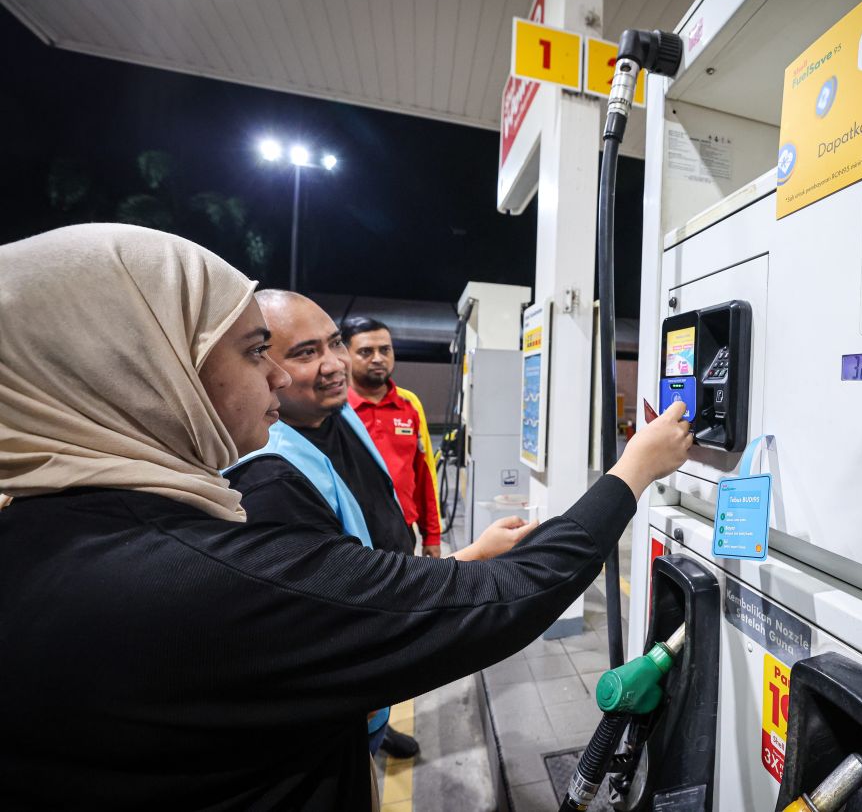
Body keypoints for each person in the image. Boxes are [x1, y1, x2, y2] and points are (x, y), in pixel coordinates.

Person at [0, 224, 693, 811]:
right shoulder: (198, 560)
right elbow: (503, 601)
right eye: (253, 352)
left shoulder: (46, 531)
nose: (280, 376)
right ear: (138, 368)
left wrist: (449, 560)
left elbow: (336, 587)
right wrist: (634, 470)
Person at [223, 292, 453, 761]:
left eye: (334, 344)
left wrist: (429, 537)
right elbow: (328, 617)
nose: (335, 365)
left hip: (394, 584)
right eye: (306, 353)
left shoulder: (338, 410)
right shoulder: (270, 474)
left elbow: (416, 476)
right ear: (265, 368)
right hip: (360, 635)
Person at [339, 316, 443, 558]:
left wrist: (432, 535)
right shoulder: (335, 407)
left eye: (385, 350)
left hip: (401, 529)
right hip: (351, 529)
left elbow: (425, 474)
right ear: (345, 356)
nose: (378, 358)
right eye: (366, 351)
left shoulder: (410, 404)